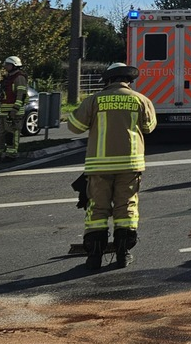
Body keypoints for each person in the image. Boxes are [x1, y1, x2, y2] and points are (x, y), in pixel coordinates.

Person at [67, 62, 157, 270]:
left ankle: (94, 257)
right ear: (129, 81)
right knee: (126, 209)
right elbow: (149, 127)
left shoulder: (94, 100)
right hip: (130, 165)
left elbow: (74, 127)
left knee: (97, 211)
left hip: (99, 166)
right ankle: (122, 255)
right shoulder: (140, 100)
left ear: (107, 80)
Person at [0, 56, 28, 162]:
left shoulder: (19, 78)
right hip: (3, 111)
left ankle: (11, 154)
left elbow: (21, 94)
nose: (5, 67)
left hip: (13, 111)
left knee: (12, 134)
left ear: (14, 65)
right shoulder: (7, 78)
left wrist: (15, 108)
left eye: (7, 65)